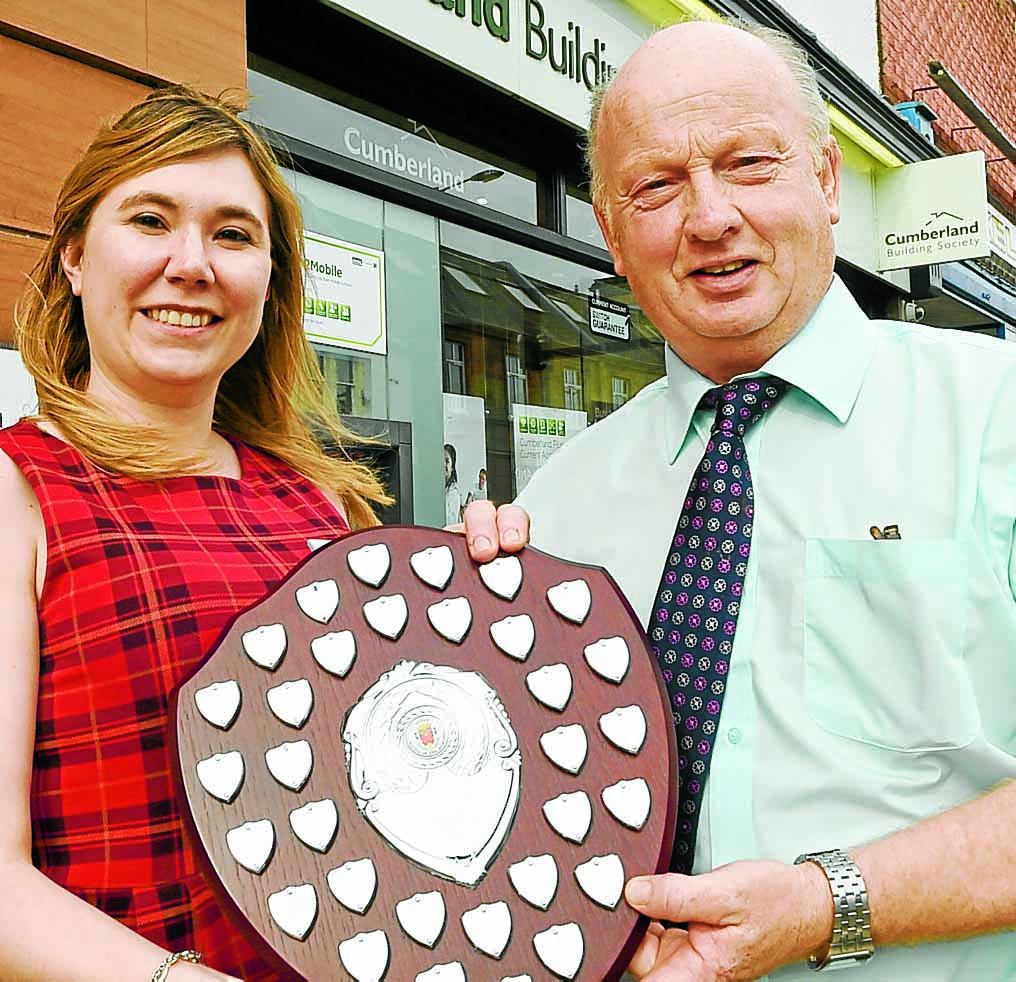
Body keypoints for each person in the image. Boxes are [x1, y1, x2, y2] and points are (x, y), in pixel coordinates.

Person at [466, 17, 1016, 982]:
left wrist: (826, 903)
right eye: (657, 186)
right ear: (611, 231)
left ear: (829, 182)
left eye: (747, 163)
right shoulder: (559, 503)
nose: (710, 217)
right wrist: (451, 628)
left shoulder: (997, 417)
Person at [0, 86, 522, 982]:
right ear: (76, 258)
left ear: (270, 279)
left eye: (234, 234)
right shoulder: (20, 491)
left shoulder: (320, 505)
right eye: (152, 219)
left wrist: (489, 614)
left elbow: (390, 795)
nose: (193, 264)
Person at [444, 441, 464, 525]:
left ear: (452, 467)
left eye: (447, 461)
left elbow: (450, 521)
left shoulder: (454, 492)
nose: (443, 464)